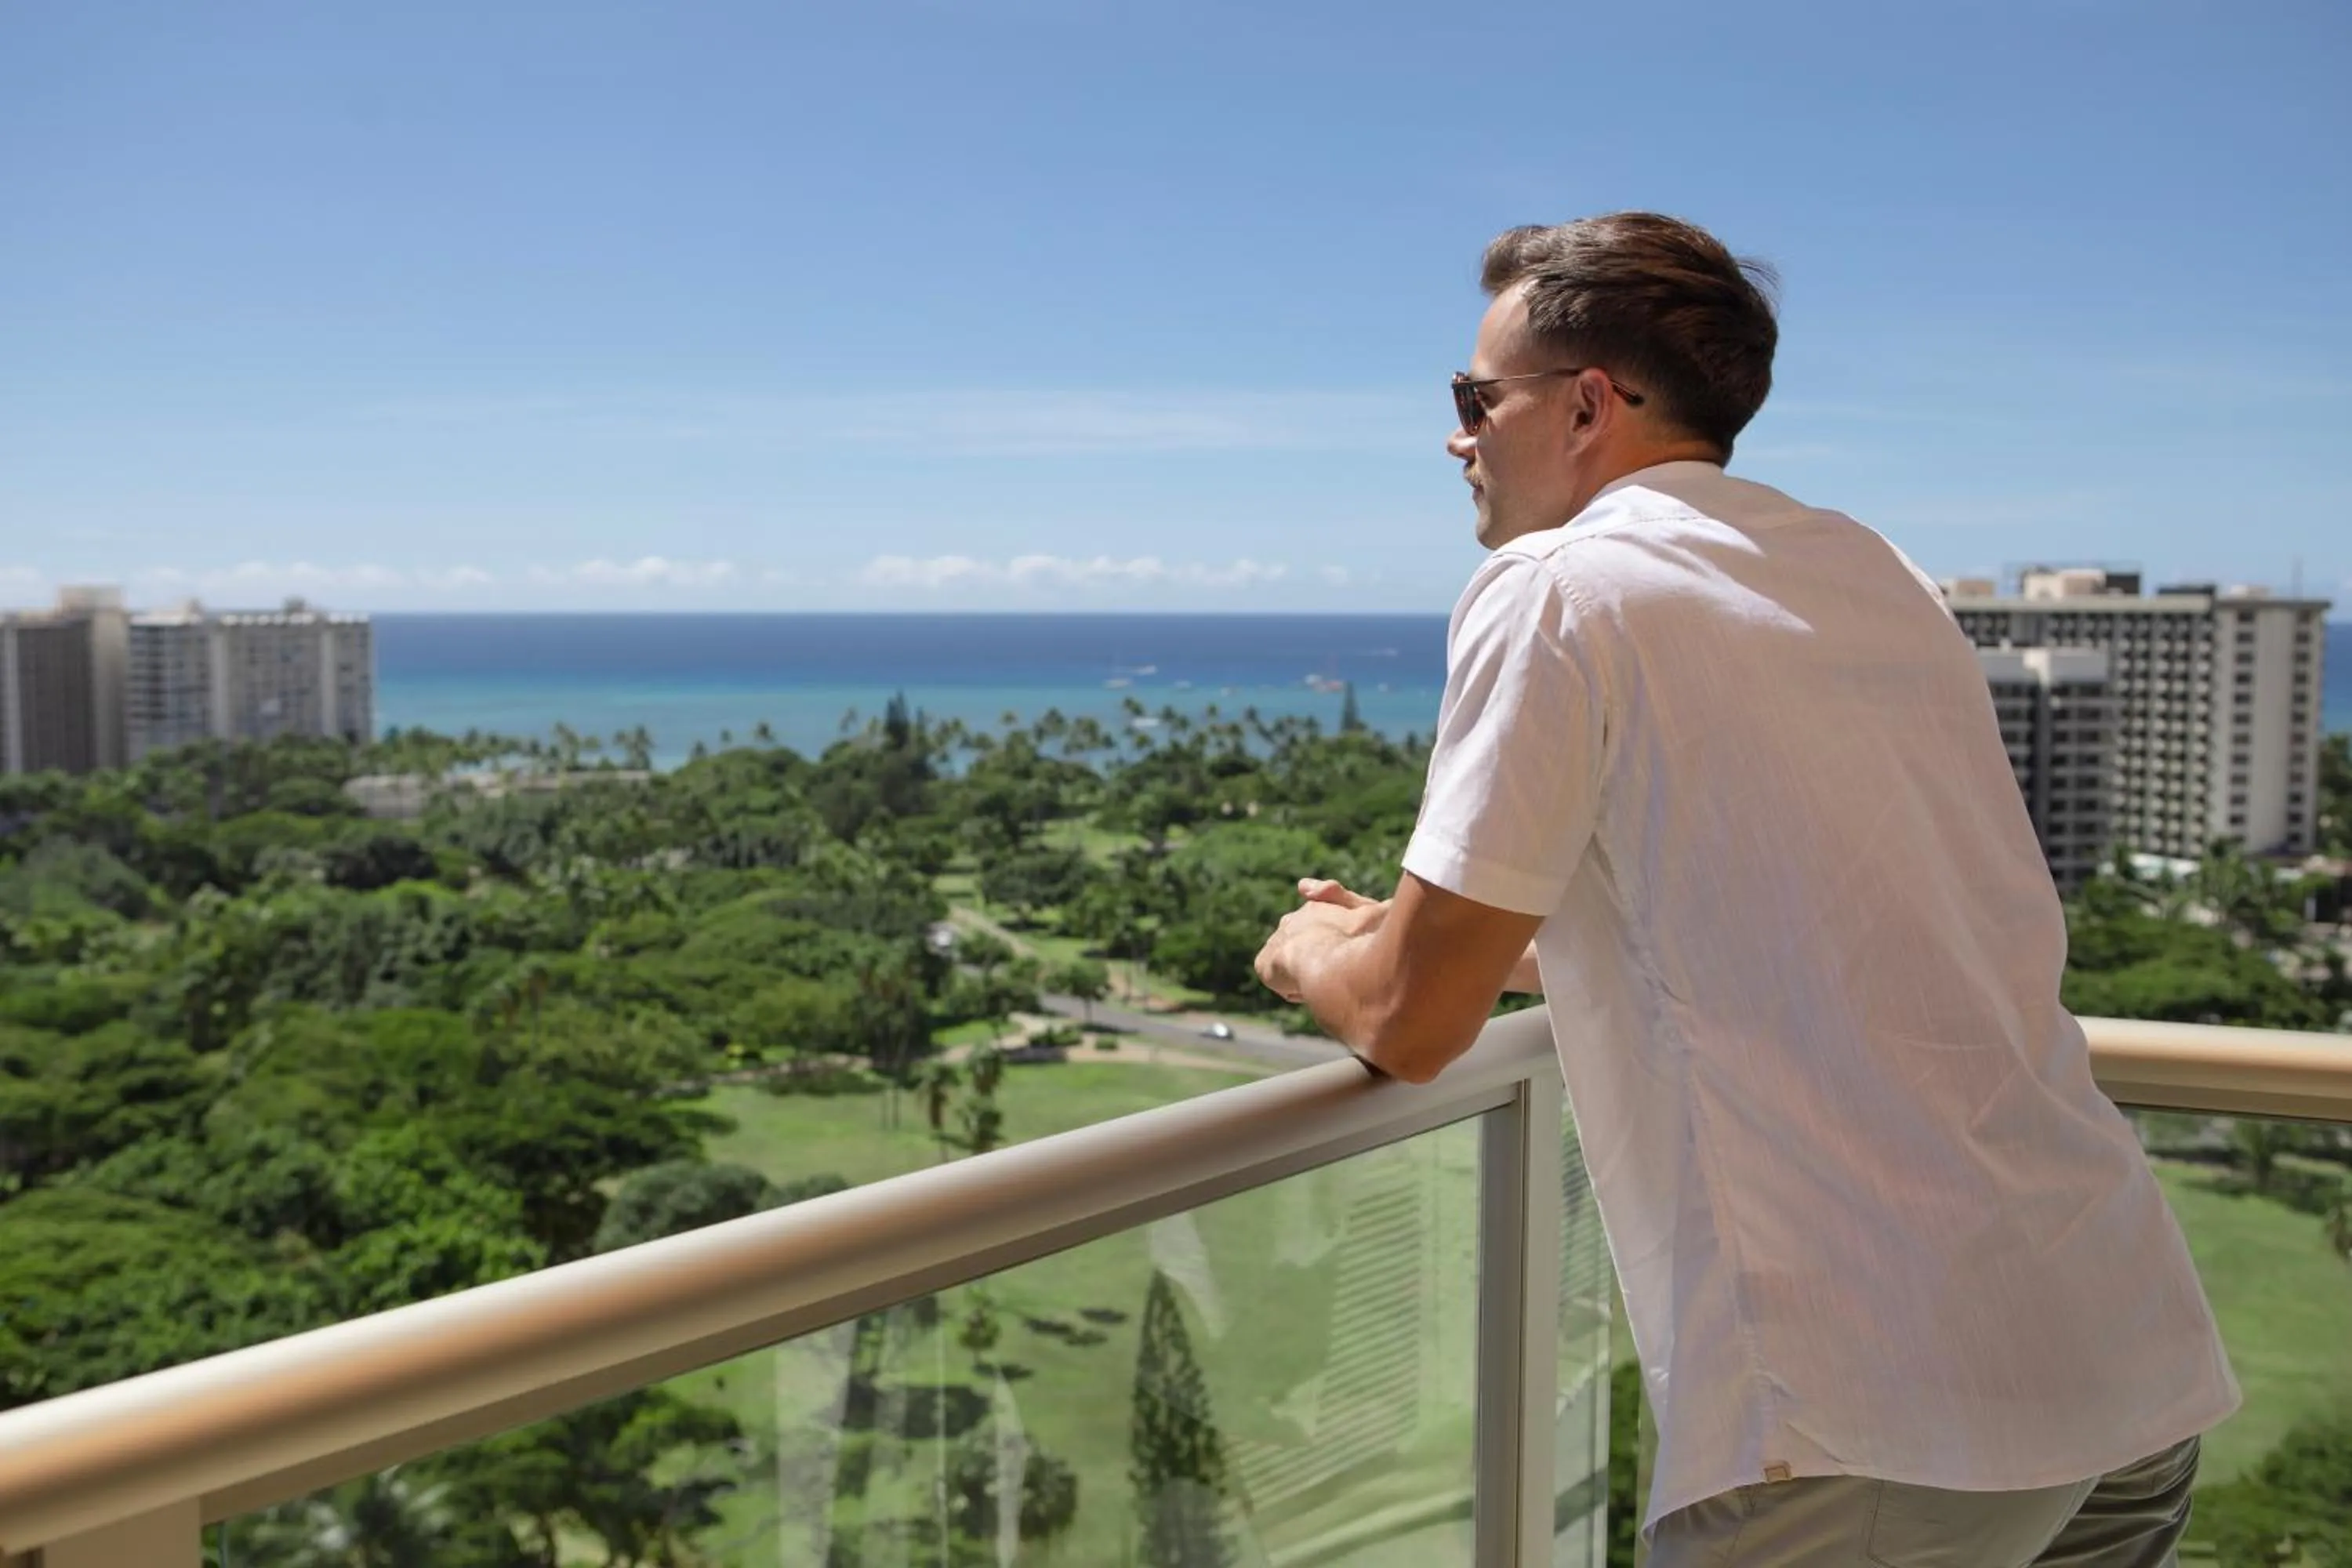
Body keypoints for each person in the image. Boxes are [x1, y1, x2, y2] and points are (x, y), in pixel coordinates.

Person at [1252, 212, 2237, 1567]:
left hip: (1884, 1410)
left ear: (1588, 404)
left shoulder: (1554, 587)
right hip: (2116, 1349)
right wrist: (1484, 950)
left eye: (1475, 398)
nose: (1456, 435)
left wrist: (1311, 947)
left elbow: (1411, 1025)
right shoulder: (1864, 570)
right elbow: (1810, 923)